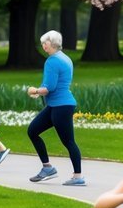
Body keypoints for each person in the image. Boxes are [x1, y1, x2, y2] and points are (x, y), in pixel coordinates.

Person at [27, 30, 84, 185]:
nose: (42, 45)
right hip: (55, 105)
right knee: (33, 130)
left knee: (69, 141)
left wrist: (35, 91)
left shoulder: (52, 61)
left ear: (50, 43)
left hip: (61, 106)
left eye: (44, 42)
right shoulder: (65, 58)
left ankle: (78, 177)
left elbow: (49, 87)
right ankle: (47, 168)